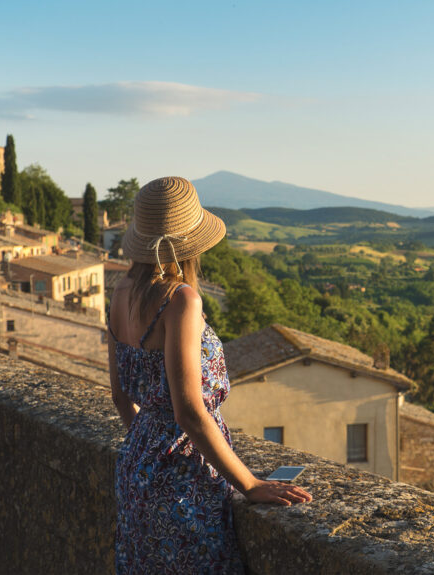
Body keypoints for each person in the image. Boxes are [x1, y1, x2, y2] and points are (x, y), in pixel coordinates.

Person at [107, 177, 312, 574]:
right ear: (190, 244)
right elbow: (190, 413)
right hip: (184, 482)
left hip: (134, 470)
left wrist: (150, 446)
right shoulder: (180, 300)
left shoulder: (119, 293)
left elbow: (120, 397)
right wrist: (249, 484)